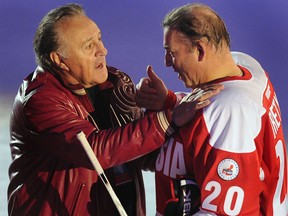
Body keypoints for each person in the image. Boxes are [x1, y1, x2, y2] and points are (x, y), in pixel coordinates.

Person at [7, 3, 223, 216]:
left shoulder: (114, 84)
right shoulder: (39, 100)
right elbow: (95, 151)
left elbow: (140, 154)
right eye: (88, 45)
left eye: (99, 39)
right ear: (59, 60)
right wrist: (167, 119)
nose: (103, 50)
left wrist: (161, 105)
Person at [135, 3, 288, 215]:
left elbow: (224, 212)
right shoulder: (245, 67)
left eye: (171, 53)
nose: (167, 62)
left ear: (200, 49)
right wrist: (168, 102)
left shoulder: (229, 111)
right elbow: (204, 115)